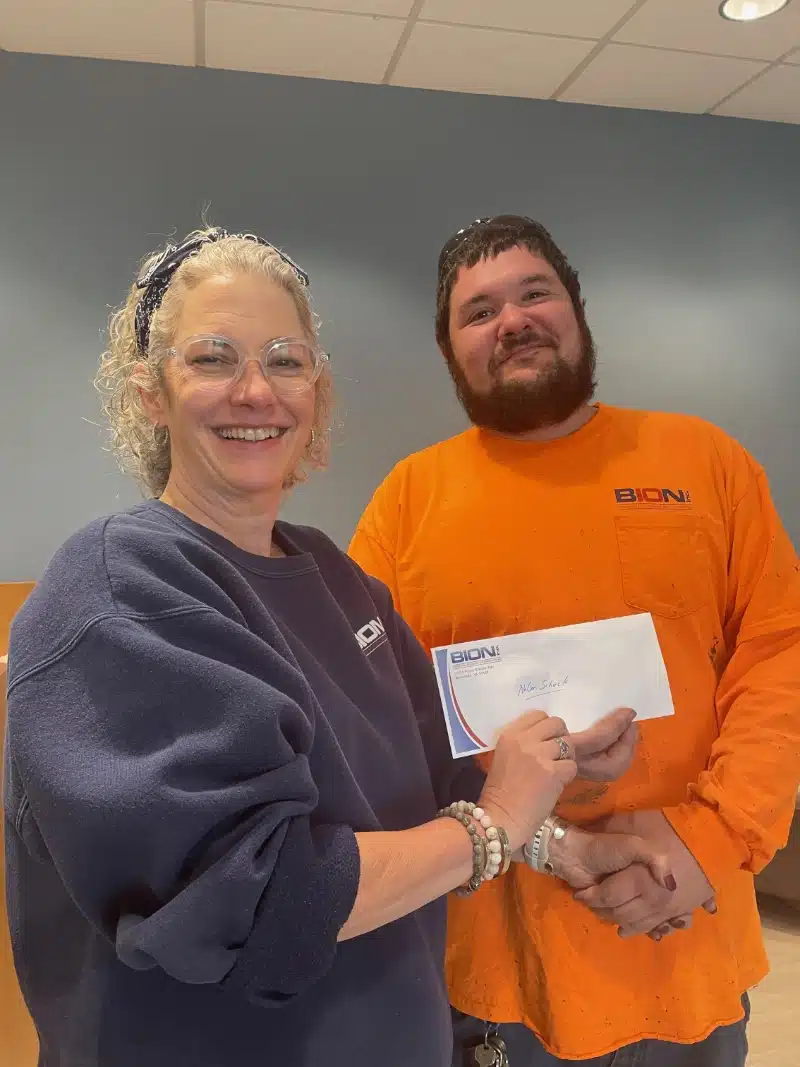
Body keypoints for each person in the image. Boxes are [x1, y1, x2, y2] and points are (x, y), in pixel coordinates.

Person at [4, 226, 649, 1067]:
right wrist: (492, 826)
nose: (254, 389)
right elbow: (261, 896)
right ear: (149, 393)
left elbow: (439, 775)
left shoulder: (340, 581)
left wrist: (568, 837)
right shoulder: (118, 589)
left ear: (316, 390)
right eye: (211, 358)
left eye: (284, 359)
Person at [349, 214, 800, 1066]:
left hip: (685, 936)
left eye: (534, 293)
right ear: (451, 352)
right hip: (494, 963)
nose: (511, 319)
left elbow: (780, 650)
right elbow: (373, 715)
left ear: (577, 312)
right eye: (477, 312)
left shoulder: (706, 462)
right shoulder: (407, 503)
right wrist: (541, 837)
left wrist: (715, 838)